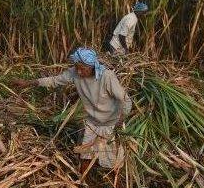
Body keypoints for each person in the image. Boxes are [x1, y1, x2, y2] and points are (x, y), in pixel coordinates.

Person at [13, 47, 132, 175]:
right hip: (92, 123)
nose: (79, 72)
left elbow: (125, 99)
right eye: (77, 68)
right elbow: (54, 81)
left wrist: (121, 119)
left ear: (91, 66)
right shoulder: (75, 73)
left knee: (113, 162)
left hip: (110, 124)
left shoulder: (106, 77)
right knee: (85, 155)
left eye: (83, 69)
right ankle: (84, 183)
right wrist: (29, 82)